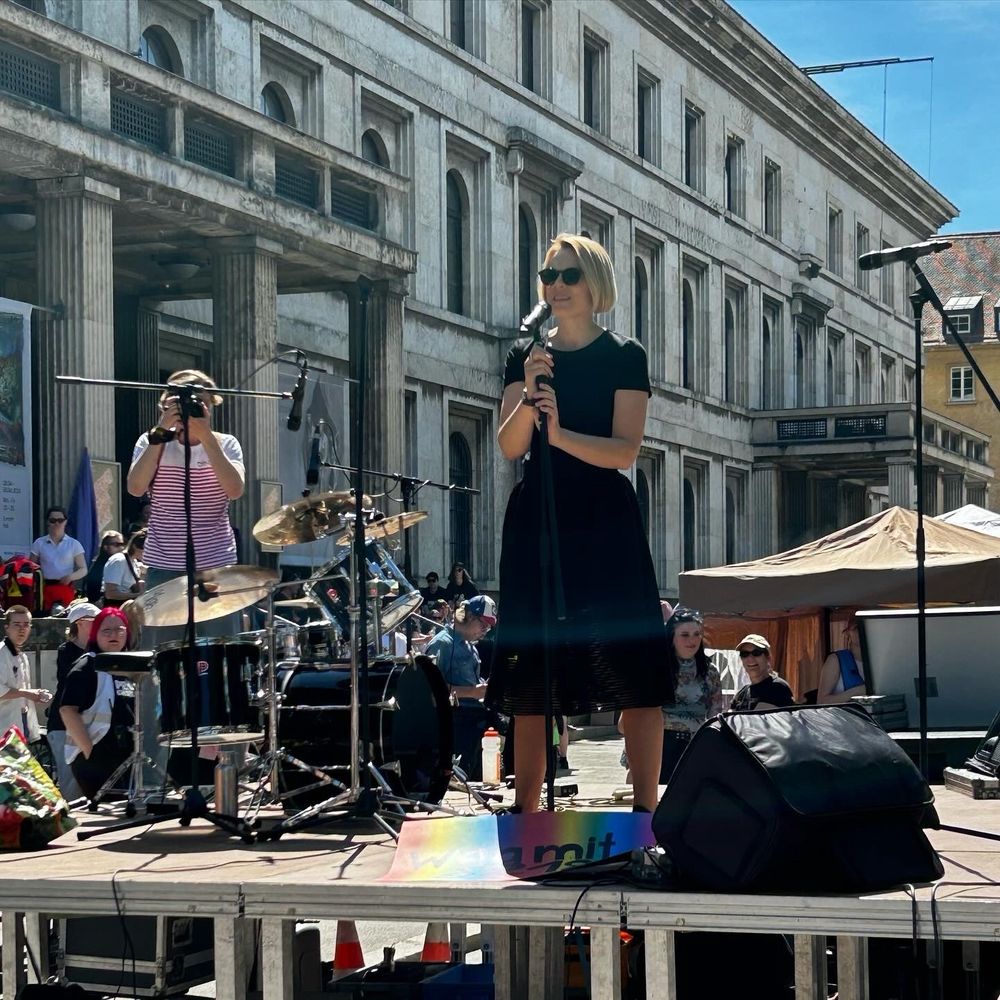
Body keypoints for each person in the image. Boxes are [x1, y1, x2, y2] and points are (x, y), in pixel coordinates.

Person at [487, 232, 669, 813]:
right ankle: (528, 810)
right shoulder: (527, 357)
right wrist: (530, 390)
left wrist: (562, 434)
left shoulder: (624, 356)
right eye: (548, 276)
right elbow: (510, 446)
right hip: (538, 519)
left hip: (605, 522)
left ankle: (645, 812)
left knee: (632, 665)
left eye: (568, 276)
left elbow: (624, 451)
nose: (556, 287)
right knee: (533, 676)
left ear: (594, 284)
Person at [126, 370, 245, 639]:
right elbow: (135, 487)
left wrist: (206, 437)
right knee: (163, 651)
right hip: (164, 562)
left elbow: (235, 490)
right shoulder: (150, 441)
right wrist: (161, 433)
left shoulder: (226, 444)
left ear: (212, 405)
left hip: (215, 562)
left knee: (220, 648)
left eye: (199, 403)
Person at [58, 606, 136, 800]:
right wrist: (89, 751)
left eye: (119, 629)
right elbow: (67, 710)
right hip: (96, 760)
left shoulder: (128, 666)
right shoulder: (86, 665)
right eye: (106, 630)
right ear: (95, 634)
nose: (113, 634)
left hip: (125, 758)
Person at [425, 595, 497, 779]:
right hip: (457, 724)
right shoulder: (443, 644)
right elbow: (431, 691)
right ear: (470, 617)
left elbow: (469, 680)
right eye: (483, 624)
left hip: (474, 721)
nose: (485, 631)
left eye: (489, 627)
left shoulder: (470, 646)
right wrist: (474, 692)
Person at [658, 607, 722, 782]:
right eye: (685, 635)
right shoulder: (657, 670)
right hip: (659, 746)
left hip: (695, 747)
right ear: (671, 637)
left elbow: (715, 713)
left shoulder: (710, 671)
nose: (692, 640)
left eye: (697, 634)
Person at [48, 602, 100, 800]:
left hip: (85, 724)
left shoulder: (96, 651)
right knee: (71, 783)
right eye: (93, 620)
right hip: (62, 726)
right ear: (80, 623)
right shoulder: (66, 651)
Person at [0, 606, 52, 746]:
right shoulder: (1, 654)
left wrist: (36, 695)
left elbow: (22, 693)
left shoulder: (21, 656)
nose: (22, 629)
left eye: (26, 624)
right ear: (7, 628)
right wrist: (28, 693)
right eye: (16, 625)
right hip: (3, 727)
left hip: (21, 721)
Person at [30, 506, 87, 612]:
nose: (57, 524)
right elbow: (31, 567)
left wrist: (71, 577)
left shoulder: (74, 544)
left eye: (60, 520)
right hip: (44, 589)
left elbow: (83, 569)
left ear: (65, 522)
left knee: (64, 620)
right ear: (48, 522)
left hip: (65, 588)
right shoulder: (39, 543)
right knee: (44, 618)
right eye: (53, 520)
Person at [730, 634, 795, 712]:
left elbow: (758, 721)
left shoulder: (778, 688)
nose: (750, 658)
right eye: (745, 654)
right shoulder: (741, 695)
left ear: (768, 658)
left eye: (756, 653)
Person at [817, 614, 866, 704]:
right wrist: (857, 692)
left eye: (866, 627)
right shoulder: (835, 660)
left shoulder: (879, 662)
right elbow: (821, 702)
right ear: (847, 633)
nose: (862, 631)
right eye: (857, 628)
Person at [102, 529, 147, 608]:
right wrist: (136, 595)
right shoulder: (119, 561)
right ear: (135, 546)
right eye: (145, 549)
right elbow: (110, 594)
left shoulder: (134, 561)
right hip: (116, 609)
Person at [83, 531, 124, 603]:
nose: (121, 548)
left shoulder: (121, 562)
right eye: (116, 544)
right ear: (106, 547)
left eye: (122, 544)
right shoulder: (99, 565)